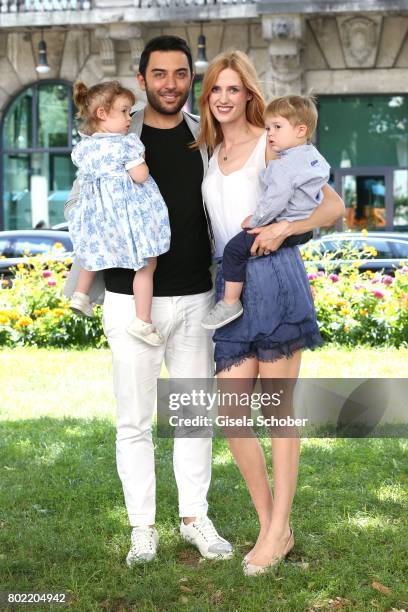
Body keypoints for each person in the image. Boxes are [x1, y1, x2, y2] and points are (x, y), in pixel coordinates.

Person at [64, 36, 233, 566]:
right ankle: (143, 527)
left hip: (197, 298)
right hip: (125, 298)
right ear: (142, 81)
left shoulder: (204, 137)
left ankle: (194, 518)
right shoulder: (115, 136)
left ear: (191, 79)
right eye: (159, 74)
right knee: (134, 420)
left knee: (193, 416)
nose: (170, 84)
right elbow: (81, 206)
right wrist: (81, 282)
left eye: (181, 74)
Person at [196, 50, 345, 576]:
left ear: (249, 94)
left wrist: (284, 229)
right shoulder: (210, 152)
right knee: (234, 415)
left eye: (234, 89)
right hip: (231, 284)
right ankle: (271, 527)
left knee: (277, 412)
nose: (223, 98)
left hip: (275, 276)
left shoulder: (274, 142)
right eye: (216, 88)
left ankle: (277, 529)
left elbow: (332, 207)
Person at [201, 95, 330, 330]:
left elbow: (274, 200)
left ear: (301, 130)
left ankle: (230, 302)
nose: (270, 133)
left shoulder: (283, 162)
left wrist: (256, 219)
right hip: (296, 228)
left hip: (277, 230)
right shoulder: (313, 157)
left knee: (234, 249)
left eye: (277, 127)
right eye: (268, 127)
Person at [68, 80, 171, 346]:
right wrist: (142, 159)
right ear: (102, 114)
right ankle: (143, 320)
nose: (129, 118)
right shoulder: (127, 145)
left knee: (92, 252)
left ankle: (81, 294)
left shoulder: (85, 148)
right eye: (124, 111)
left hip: (99, 221)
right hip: (128, 220)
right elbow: (140, 176)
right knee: (147, 265)